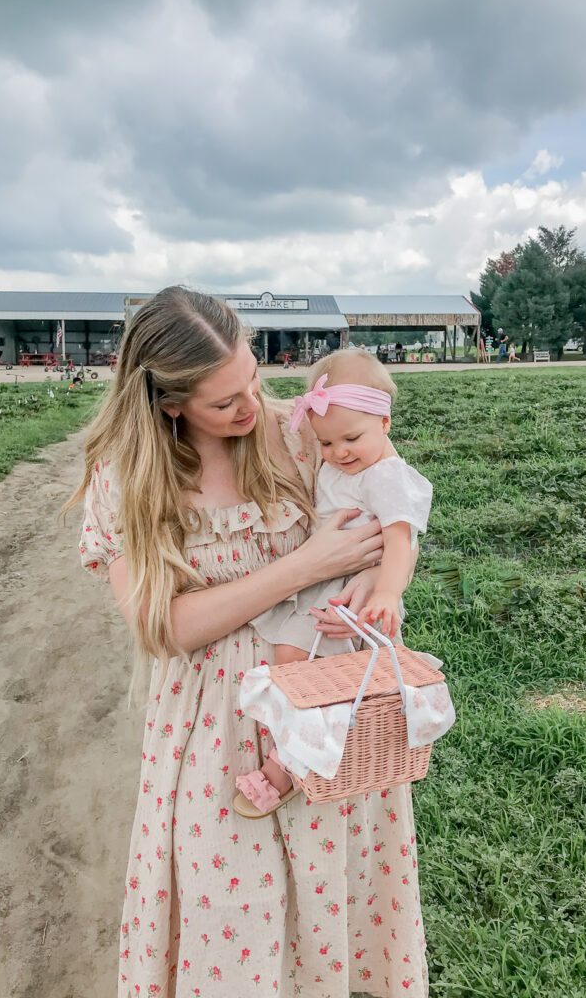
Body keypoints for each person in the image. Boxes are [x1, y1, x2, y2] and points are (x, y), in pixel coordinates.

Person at [65, 287, 430, 997]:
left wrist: (374, 586)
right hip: (212, 726)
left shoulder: (304, 434)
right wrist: (302, 567)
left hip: (326, 705)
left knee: (333, 897)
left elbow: (388, 516)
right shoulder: (128, 479)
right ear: (170, 404)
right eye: (224, 400)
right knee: (232, 912)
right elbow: (163, 625)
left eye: (253, 381)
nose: (251, 407)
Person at [235, 350, 432, 816]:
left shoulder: (383, 474)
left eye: (351, 438)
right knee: (302, 666)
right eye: (326, 443)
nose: (339, 452)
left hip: (352, 586)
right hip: (329, 576)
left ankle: (289, 762)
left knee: (299, 663)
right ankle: (301, 751)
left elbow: (400, 537)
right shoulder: (352, 463)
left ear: (384, 423)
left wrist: (386, 591)